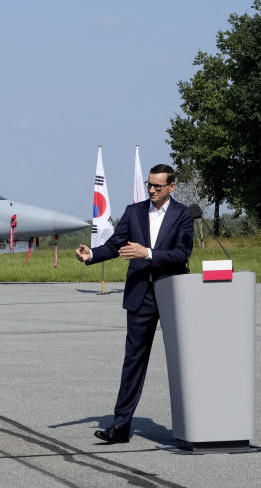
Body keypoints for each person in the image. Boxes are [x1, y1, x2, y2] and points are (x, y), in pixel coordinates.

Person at [76, 163, 193, 444]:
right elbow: (115, 245)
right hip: (141, 295)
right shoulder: (134, 212)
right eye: (149, 185)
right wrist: (92, 254)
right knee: (133, 362)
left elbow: (181, 253)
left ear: (171, 187)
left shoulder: (183, 215)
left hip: (172, 293)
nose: (151, 190)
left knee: (184, 362)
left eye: (157, 186)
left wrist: (148, 253)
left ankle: (192, 425)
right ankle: (120, 426)